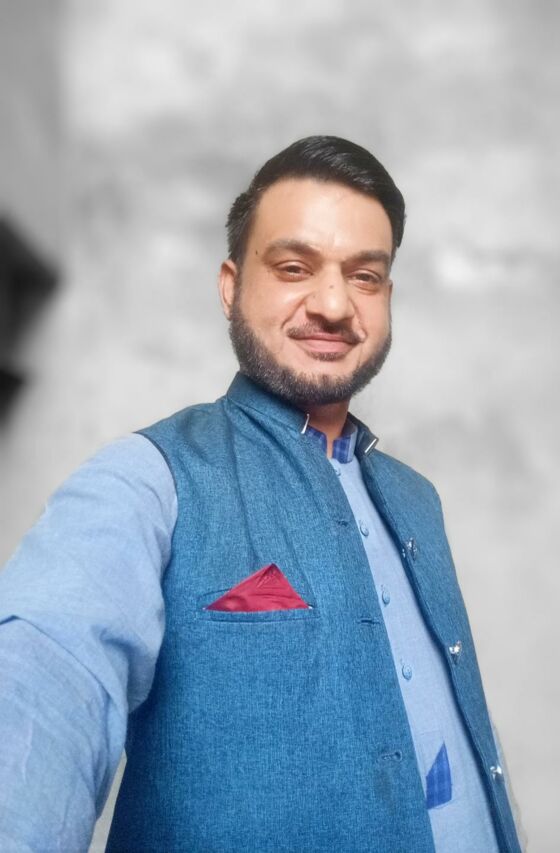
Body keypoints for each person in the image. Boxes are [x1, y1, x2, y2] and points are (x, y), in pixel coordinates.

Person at [0, 136, 523, 852]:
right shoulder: (145, 479)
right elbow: (43, 685)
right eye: (294, 267)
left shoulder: (416, 501)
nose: (334, 304)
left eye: (365, 276)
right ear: (231, 285)